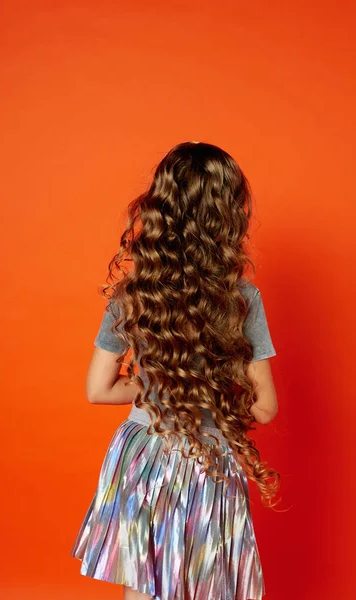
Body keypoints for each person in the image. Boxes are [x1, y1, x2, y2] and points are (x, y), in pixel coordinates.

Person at [70, 141, 281, 600]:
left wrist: (160, 384)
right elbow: (265, 409)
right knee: (211, 581)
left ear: (160, 207)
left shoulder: (134, 293)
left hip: (144, 454)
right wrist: (209, 389)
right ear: (227, 213)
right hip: (208, 461)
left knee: (145, 583)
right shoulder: (241, 298)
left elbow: (98, 390)